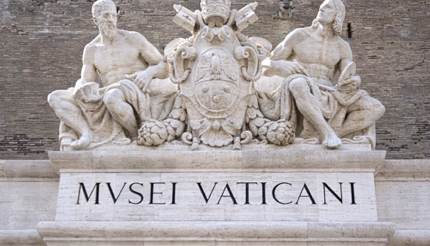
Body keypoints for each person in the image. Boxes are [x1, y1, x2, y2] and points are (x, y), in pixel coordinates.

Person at [47, 0, 176, 150]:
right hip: (108, 93)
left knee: (112, 96)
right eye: (106, 16)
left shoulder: (133, 39)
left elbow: (164, 66)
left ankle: (135, 135)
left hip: (135, 90)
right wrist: (81, 89)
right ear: (95, 20)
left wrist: (148, 73)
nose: (111, 20)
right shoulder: (91, 50)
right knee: (56, 97)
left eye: (114, 16)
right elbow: (86, 81)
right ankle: (86, 134)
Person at [259, 0, 385, 149]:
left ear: (337, 16)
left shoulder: (342, 47)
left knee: (376, 107)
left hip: (328, 91)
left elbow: (347, 74)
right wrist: (281, 64)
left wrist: (353, 81)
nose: (322, 8)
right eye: (322, 6)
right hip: (299, 84)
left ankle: (335, 133)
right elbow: (265, 64)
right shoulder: (299, 35)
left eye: (328, 7)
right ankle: (326, 133)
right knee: (298, 84)